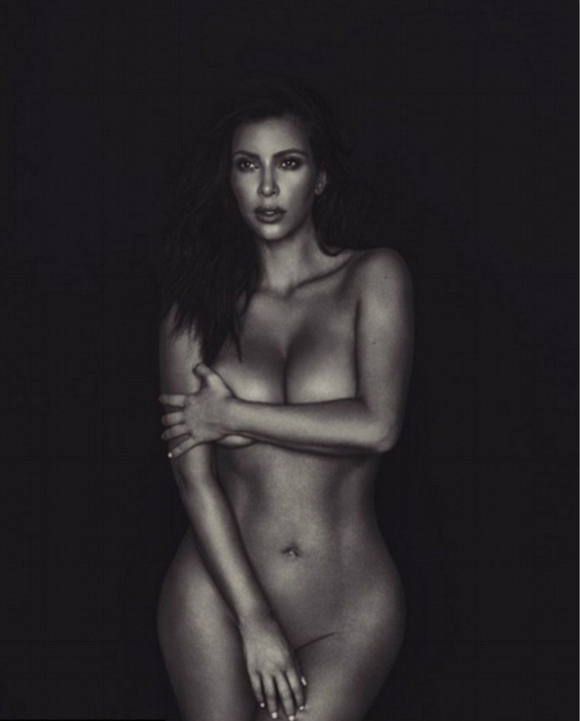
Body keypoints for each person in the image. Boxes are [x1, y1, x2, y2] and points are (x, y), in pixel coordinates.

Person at [155, 76, 414, 721]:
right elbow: (194, 481)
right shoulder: (194, 312)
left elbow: (378, 426)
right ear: (230, 180)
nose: (267, 187)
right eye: (248, 166)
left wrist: (231, 415)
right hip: (218, 597)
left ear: (319, 178)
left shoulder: (373, 277)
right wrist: (255, 620)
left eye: (288, 163)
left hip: (347, 603)